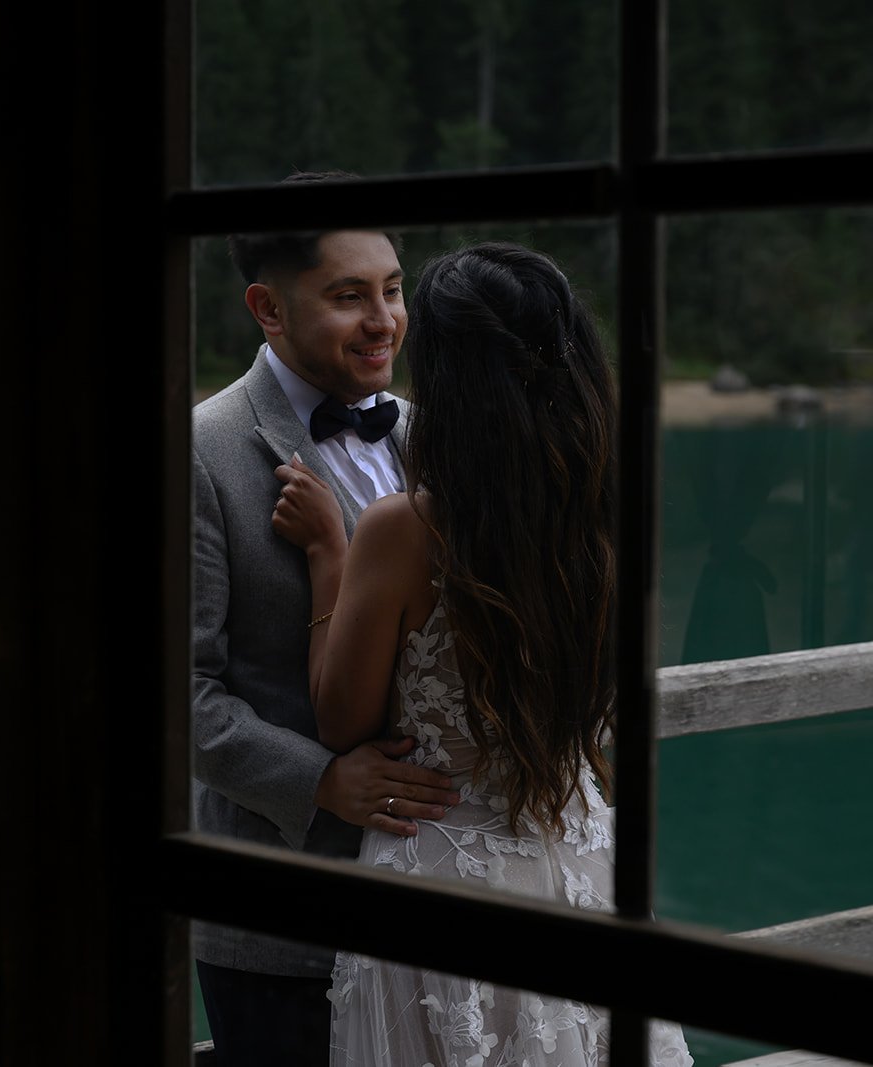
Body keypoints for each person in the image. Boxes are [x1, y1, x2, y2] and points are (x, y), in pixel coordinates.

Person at [271, 242, 694, 1066]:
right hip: (577, 854)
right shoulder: (602, 510)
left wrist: (329, 556)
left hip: (443, 874)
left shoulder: (405, 528)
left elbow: (342, 719)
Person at [191, 171, 462, 1066]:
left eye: (392, 290)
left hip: (439, 897)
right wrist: (320, 781)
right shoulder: (199, 453)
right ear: (268, 308)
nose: (384, 320)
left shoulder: (434, 435)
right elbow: (178, 696)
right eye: (349, 297)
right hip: (282, 915)